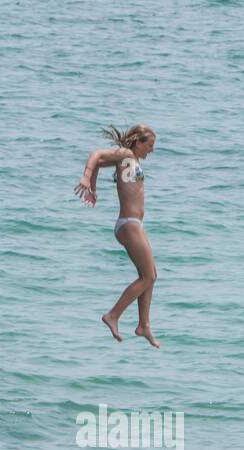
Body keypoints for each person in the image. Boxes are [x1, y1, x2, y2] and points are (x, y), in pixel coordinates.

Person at [74, 123, 161, 348]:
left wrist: (93, 186)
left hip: (134, 225)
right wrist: (85, 178)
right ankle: (113, 315)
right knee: (148, 277)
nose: (152, 150)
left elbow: (101, 164)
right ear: (137, 142)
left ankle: (144, 325)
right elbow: (96, 155)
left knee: (151, 274)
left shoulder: (130, 160)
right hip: (128, 225)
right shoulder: (126, 154)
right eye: (150, 145)